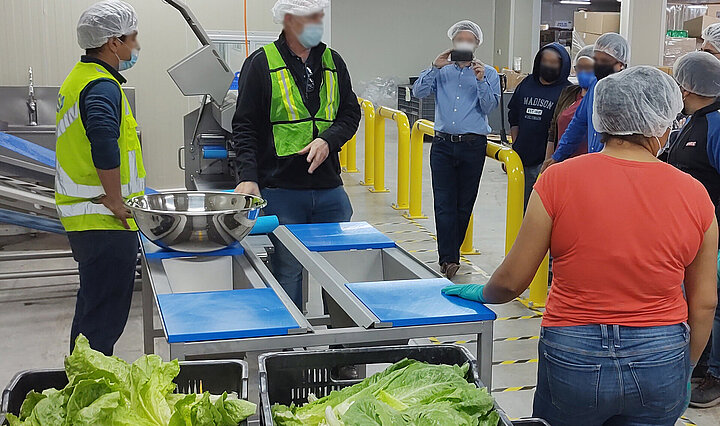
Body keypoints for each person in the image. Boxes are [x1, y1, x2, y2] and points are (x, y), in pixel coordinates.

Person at [443, 66, 718, 425]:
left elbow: (513, 282)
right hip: (660, 353)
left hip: (575, 351)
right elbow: (704, 301)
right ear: (663, 125)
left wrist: (481, 292)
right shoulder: (695, 194)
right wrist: (685, 368)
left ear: (601, 119)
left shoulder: (559, 179)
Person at [232, 0, 360, 309]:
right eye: (310, 18)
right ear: (289, 21)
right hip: (282, 190)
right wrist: (248, 176)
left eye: (319, 17)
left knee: (339, 273)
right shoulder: (261, 63)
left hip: (330, 190)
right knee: (288, 272)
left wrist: (328, 140)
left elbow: (350, 114)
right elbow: (244, 125)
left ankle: (343, 351)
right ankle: (288, 352)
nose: (318, 23)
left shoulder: (333, 61)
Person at [55, 0, 145, 355]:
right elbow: (104, 142)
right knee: (104, 319)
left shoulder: (77, 80)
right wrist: (115, 199)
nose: (135, 46)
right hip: (104, 220)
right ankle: (90, 393)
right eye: (132, 38)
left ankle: (77, 380)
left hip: (84, 218)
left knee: (91, 307)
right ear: (112, 42)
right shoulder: (102, 86)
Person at [412, 20, 500, 278]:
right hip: (442, 144)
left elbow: (488, 108)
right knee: (443, 202)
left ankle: (451, 254)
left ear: (476, 45)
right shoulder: (442, 71)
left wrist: (481, 80)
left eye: (468, 40)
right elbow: (418, 91)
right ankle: (448, 258)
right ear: (453, 44)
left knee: (464, 203)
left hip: (472, 145)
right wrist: (433, 67)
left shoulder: (488, 73)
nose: (463, 44)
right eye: (459, 40)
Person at [665, 51, 720, 408]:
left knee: (713, 305)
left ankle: (715, 375)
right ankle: (701, 366)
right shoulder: (693, 119)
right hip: (690, 234)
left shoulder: (715, 124)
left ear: (686, 88)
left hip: (713, 235)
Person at [541, 33, 629, 172]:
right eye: (596, 59)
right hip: (593, 163)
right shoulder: (595, 86)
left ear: (620, 64)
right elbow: (578, 123)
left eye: (604, 60)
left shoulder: (628, 92)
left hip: (616, 166)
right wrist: (558, 156)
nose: (598, 65)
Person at [508, 42, 571, 209]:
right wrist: (515, 146)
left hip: (548, 161)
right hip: (522, 158)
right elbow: (513, 116)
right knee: (520, 207)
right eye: (545, 61)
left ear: (562, 65)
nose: (548, 66)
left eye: (553, 63)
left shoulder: (567, 91)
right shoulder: (527, 83)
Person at [544, 45, 596, 164]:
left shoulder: (599, 99)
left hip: (586, 163)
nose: (583, 72)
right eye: (579, 68)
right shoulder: (568, 93)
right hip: (561, 161)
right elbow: (553, 131)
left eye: (587, 68)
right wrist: (549, 160)